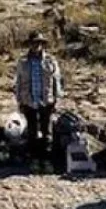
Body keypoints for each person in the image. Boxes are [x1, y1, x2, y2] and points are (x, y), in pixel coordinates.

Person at [15, 32, 63, 165]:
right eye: (34, 43)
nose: (36, 45)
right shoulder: (22, 62)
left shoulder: (50, 61)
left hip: (46, 100)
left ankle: (46, 158)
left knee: (47, 130)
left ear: (42, 45)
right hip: (28, 101)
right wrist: (19, 100)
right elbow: (18, 82)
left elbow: (56, 80)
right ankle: (34, 158)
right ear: (29, 45)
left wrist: (57, 99)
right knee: (32, 131)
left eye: (39, 43)